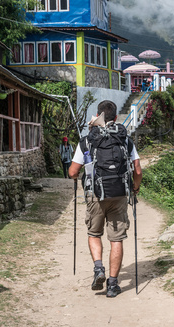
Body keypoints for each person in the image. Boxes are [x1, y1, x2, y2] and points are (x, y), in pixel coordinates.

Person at [68, 100, 142, 297]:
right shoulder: (125, 139)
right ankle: (112, 284)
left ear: (98, 116)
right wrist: (135, 187)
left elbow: (73, 171)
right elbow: (138, 170)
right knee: (116, 238)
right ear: (116, 118)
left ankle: (99, 268)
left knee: (94, 234)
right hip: (119, 194)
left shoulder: (87, 140)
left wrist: (78, 176)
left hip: (95, 195)